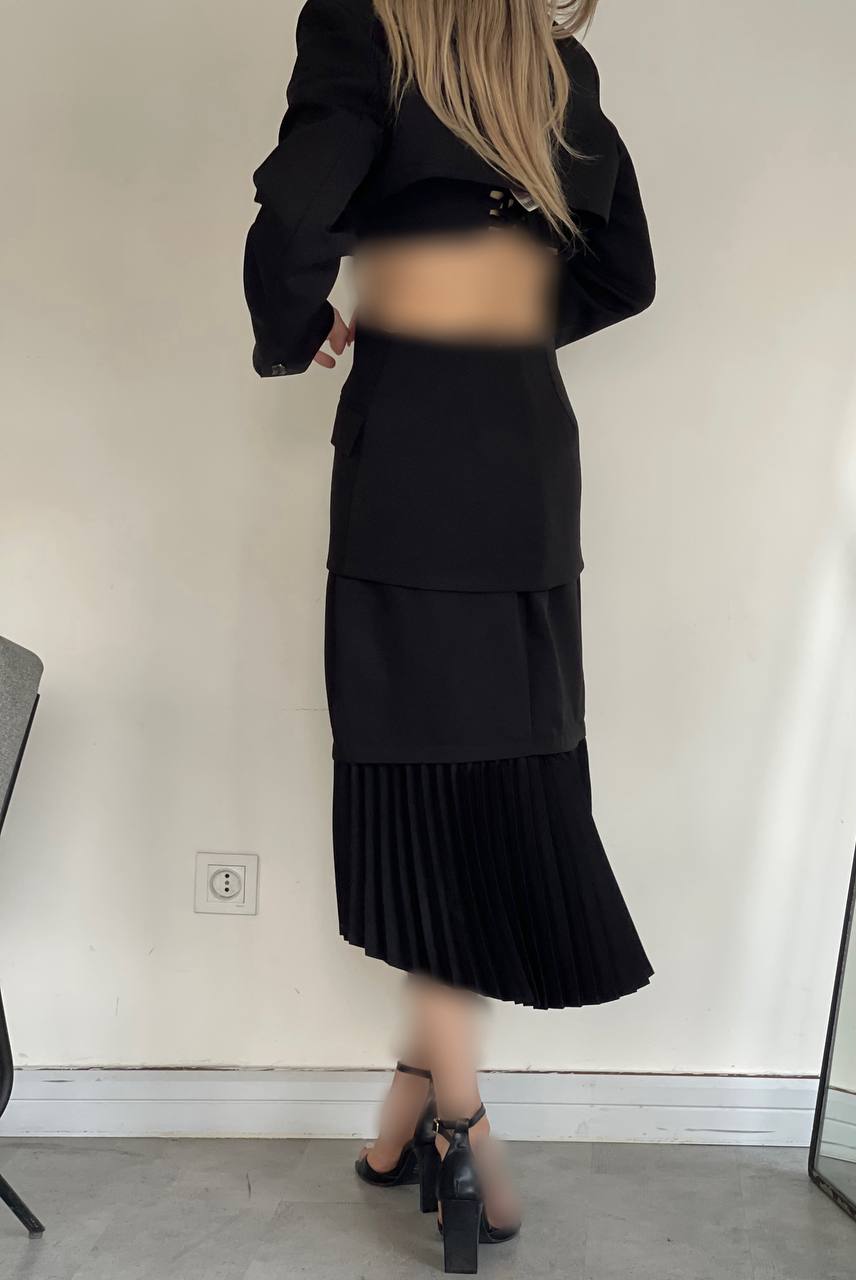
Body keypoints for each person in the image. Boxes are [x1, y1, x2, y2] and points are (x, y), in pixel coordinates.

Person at [244, 0, 656, 1271]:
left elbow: (296, 215)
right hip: (527, 468)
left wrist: (301, 323)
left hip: (410, 473)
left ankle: (462, 1126)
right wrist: (492, 314)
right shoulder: (554, 64)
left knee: (430, 794)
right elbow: (624, 270)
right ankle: (404, 1121)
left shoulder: (361, 29)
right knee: (486, 778)